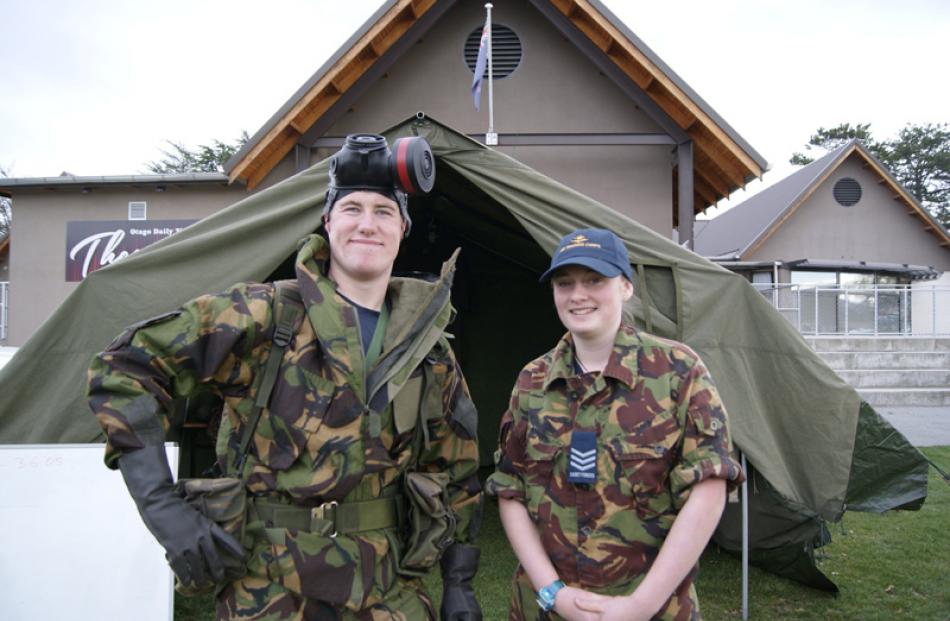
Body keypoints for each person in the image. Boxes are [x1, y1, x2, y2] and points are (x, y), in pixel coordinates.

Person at [88, 134, 483, 621]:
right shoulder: (262, 315)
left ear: (403, 227)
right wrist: (161, 506)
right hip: (269, 591)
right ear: (327, 221)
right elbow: (125, 365)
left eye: (383, 211)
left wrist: (459, 582)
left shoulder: (426, 346)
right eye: (352, 208)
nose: (367, 224)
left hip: (388, 592)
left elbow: (458, 469)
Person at [486, 228, 744, 621]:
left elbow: (708, 489)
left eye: (594, 280)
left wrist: (640, 606)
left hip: (654, 609)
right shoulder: (533, 381)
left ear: (625, 287)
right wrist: (553, 593)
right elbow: (510, 490)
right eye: (564, 282)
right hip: (544, 609)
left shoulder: (678, 372)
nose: (578, 295)